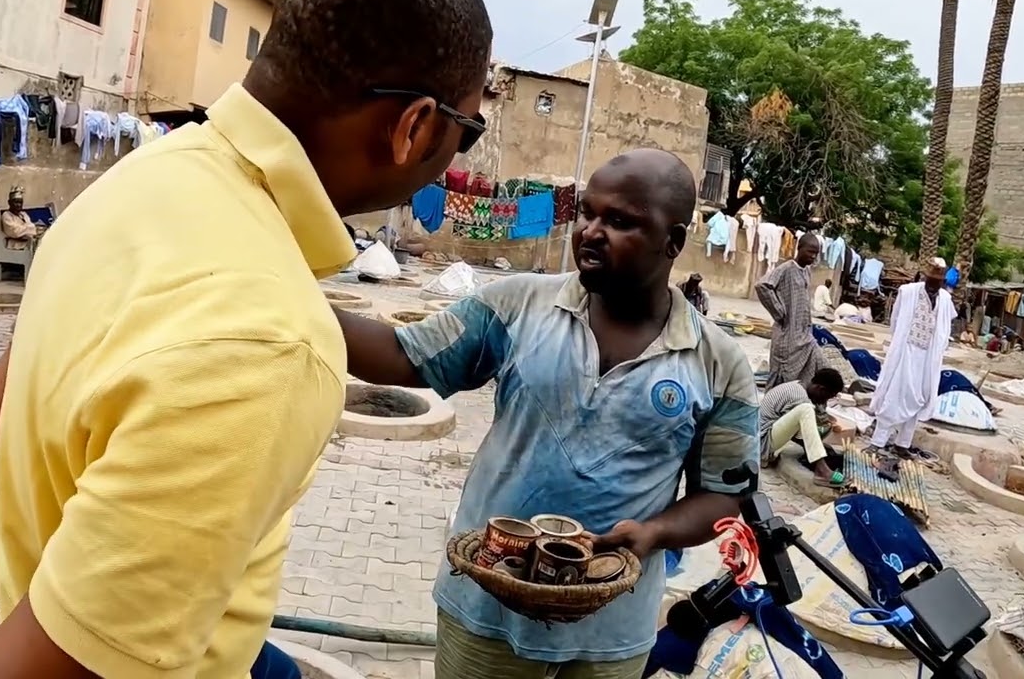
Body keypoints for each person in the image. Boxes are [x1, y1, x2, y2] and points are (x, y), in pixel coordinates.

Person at [0, 0, 493, 677]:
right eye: (467, 130)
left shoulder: (137, 184)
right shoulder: (268, 348)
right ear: (414, 126)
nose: (455, 154)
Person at [335, 149, 760, 678]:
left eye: (621, 221)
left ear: (672, 242)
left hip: (610, 633)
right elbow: (402, 355)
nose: (591, 231)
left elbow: (722, 493)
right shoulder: (515, 306)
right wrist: (296, 302)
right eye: (588, 212)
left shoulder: (720, 363)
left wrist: (655, 534)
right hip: (487, 607)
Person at [868, 258, 956, 456]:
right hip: (906, 352)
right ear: (925, 276)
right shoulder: (907, 292)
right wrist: (899, 344)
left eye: (938, 280)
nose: (935, 283)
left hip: (929, 357)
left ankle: (903, 444)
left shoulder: (945, 300)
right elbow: (895, 321)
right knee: (894, 394)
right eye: (932, 278)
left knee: (920, 396)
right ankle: (878, 441)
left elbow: (946, 326)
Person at [760, 368, 846, 487]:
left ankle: (821, 467)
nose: (824, 401)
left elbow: (794, 432)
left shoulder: (797, 386)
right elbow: (801, 436)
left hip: (764, 438)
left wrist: (820, 447)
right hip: (762, 443)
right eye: (827, 396)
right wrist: (819, 452)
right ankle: (822, 472)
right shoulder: (800, 398)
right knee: (806, 409)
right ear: (820, 389)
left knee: (806, 410)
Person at [756, 232, 823, 386]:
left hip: (804, 335)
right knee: (780, 377)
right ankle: (772, 405)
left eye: (816, 253)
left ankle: (798, 402)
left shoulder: (806, 271)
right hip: (787, 335)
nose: (813, 256)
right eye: (810, 251)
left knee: (817, 365)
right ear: (799, 248)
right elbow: (762, 286)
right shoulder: (786, 268)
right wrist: (779, 312)